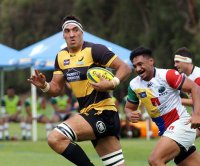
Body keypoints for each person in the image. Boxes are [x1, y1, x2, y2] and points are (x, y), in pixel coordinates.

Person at [28, 15, 131, 166]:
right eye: (67, 31)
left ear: (82, 32)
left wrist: (112, 83)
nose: (72, 34)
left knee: (55, 138)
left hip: (103, 112)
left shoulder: (95, 50)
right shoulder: (61, 56)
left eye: (75, 30)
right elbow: (56, 88)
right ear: (63, 35)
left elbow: (125, 67)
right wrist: (44, 85)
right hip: (88, 114)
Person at [125, 46, 200, 166]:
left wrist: (197, 114)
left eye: (140, 64)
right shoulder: (134, 85)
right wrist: (130, 114)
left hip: (181, 124)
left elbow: (195, 88)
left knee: (155, 160)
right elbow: (129, 108)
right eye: (135, 66)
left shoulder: (167, 75)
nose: (138, 69)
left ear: (151, 61)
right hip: (166, 131)